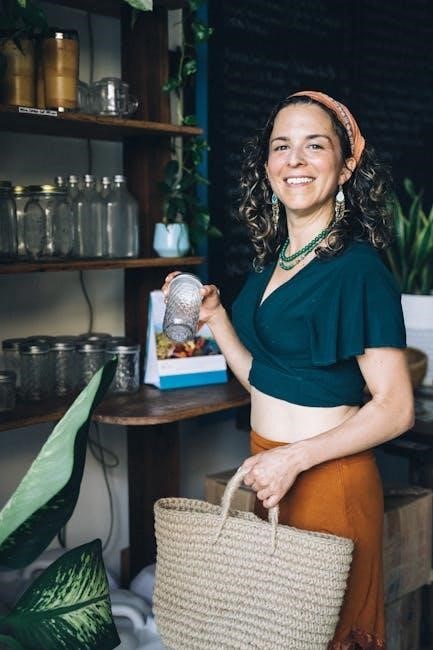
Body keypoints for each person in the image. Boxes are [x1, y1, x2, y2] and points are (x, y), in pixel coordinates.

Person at [163, 90, 414, 649]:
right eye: (281, 146)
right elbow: (265, 382)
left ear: (346, 166)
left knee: (328, 637)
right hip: (272, 471)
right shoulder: (271, 263)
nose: (294, 160)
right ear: (267, 165)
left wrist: (293, 459)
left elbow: (396, 409)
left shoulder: (359, 269)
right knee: (277, 636)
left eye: (314, 145)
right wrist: (217, 319)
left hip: (327, 479)